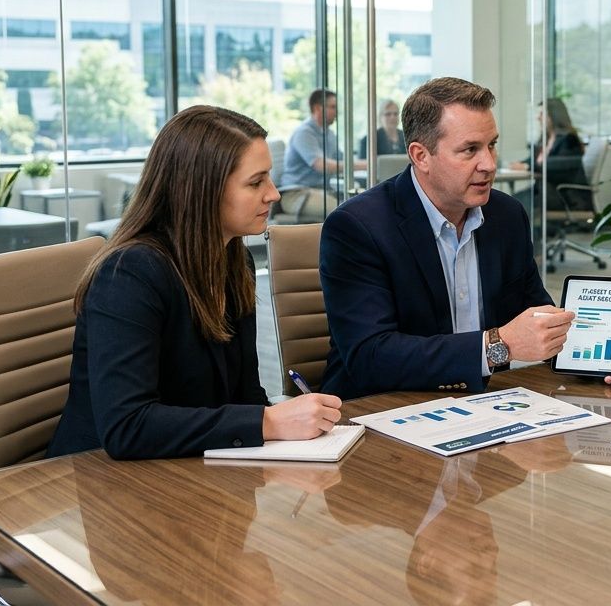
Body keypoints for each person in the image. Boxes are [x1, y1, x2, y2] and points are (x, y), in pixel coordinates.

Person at [48, 105, 342, 460]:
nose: (274, 194)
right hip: (100, 479)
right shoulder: (128, 274)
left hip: (191, 464)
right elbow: (128, 426)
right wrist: (267, 422)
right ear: (202, 189)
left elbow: (245, 392)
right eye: (255, 182)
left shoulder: (234, 259)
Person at [318, 76, 575, 399]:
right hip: (381, 406)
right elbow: (370, 356)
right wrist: (499, 344)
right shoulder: (357, 227)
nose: (490, 164)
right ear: (421, 156)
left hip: (485, 403)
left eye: (492, 145)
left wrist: (602, 360)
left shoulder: (506, 215)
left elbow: (536, 315)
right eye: (470, 150)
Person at [511, 98, 591, 218]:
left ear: (553, 115)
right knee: (511, 201)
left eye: (542, 114)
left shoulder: (568, 139)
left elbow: (557, 166)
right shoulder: (545, 139)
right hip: (545, 191)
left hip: (564, 195)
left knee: (519, 204)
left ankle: (526, 235)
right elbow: (534, 160)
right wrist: (521, 163)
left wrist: (528, 166)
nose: (538, 118)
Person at [280, 88, 344, 222]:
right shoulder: (304, 133)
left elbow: (342, 160)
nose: (337, 112)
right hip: (296, 194)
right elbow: (321, 165)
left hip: (321, 191)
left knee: (355, 203)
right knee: (343, 210)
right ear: (317, 108)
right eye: (333, 107)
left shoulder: (330, 134)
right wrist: (366, 165)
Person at [354, 98, 406, 167]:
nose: (392, 117)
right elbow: (362, 165)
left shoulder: (406, 136)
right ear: (380, 117)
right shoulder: (369, 140)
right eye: (388, 114)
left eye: (395, 114)